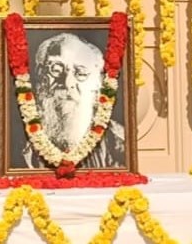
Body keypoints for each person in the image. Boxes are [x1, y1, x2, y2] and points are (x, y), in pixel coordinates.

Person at [21, 32, 126, 170]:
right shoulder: (15, 142)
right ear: (40, 76)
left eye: (81, 73)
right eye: (56, 69)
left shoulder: (119, 141)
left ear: (98, 83)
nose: (67, 82)